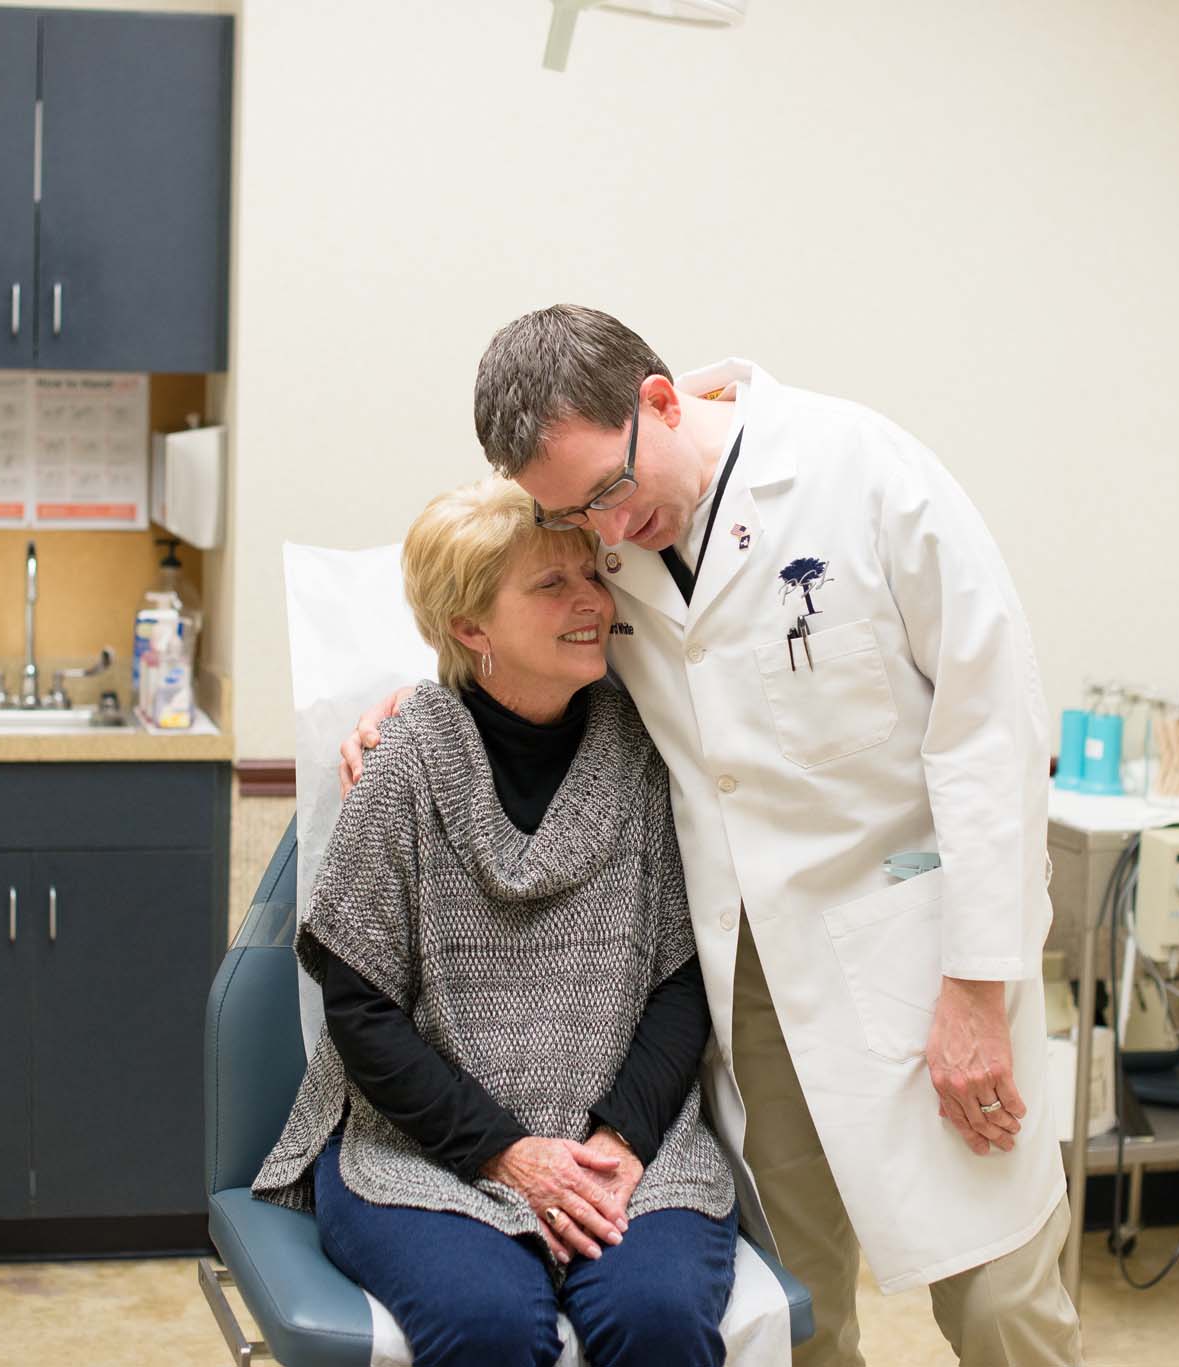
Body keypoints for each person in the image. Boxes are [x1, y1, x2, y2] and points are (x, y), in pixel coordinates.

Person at [342, 306, 1083, 1367]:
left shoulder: (860, 473)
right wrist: (410, 705)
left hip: (924, 959)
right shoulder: (609, 522)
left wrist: (975, 984)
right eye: (572, 515)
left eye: (606, 492)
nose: (600, 532)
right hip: (750, 981)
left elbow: (992, 732)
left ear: (659, 398)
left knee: (1001, 1298)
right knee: (796, 1309)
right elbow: (500, 612)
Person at [254, 477, 748, 1367]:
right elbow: (359, 1009)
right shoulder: (405, 762)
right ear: (471, 629)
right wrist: (509, 1154)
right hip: (423, 1150)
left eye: (590, 576)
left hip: (625, 1142)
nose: (593, 600)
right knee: (486, 1324)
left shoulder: (641, 754)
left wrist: (619, 1141)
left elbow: (683, 977)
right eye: (550, 586)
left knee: (659, 1315)